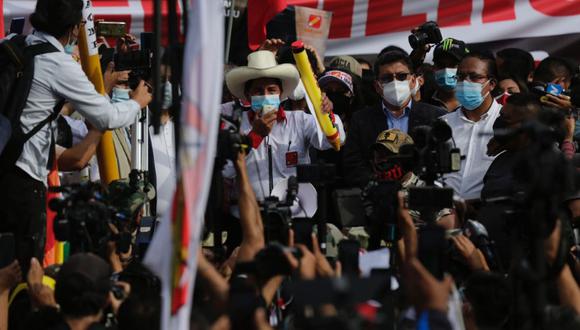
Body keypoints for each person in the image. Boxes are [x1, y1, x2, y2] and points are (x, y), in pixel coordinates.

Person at [0, 0, 152, 272]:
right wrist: (137, 103)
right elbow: (105, 117)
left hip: (4, 165)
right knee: (25, 271)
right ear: (73, 29)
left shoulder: (14, 44)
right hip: (25, 181)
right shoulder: (57, 62)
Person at [223, 50, 345, 201]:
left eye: (271, 90)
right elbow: (226, 171)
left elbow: (333, 141)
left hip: (296, 211)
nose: (266, 95)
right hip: (250, 214)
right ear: (248, 95)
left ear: (281, 94)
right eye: (258, 91)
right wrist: (254, 137)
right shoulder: (235, 125)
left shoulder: (299, 121)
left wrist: (326, 113)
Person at [343, 51, 445, 188]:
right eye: (387, 78)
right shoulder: (361, 119)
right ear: (377, 86)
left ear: (413, 81)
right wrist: (382, 185)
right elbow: (353, 166)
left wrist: (415, 182)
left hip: (423, 198)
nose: (395, 82)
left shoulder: (436, 116)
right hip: (378, 199)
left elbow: (442, 161)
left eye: (402, 76)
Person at [441, 51, 501, 203]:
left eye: (475, 77)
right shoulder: (442, 125)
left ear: (492, 84)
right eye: (460, 77)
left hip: (488, 212)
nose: (465, 82)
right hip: (447, 214)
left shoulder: (507, 122)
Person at [426, 38, 469, 112]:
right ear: (434, 68)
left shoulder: (478, 103)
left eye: (453, 65)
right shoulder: (424, 102)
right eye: (441, 65)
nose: (446, 70)